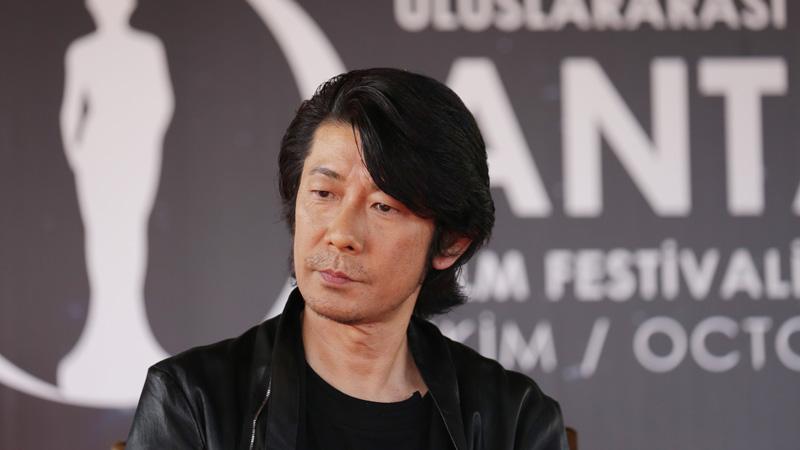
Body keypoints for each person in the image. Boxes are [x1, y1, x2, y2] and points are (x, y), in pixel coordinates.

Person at [126, 68, 567, 450]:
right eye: (323, 193)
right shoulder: (193, 400)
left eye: (383, 206)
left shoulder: (514, 419)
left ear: (450, 243)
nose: (340, 234)